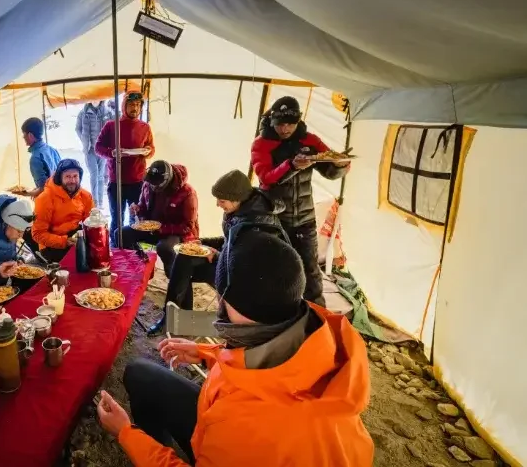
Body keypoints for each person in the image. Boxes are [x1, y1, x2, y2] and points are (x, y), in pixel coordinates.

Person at [96, 231, 374, 466]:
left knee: (141, 385)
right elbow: (276, 374)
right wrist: (207, 355)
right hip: (244, 428)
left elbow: (257, 408)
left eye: (220, 294)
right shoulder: (317, 332)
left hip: (240, 437)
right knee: (141, 374)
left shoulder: (244, 426)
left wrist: (126, 433)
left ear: (231, 302)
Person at [147, 169, 286, 335]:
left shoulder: (259, 224)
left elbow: (252, 264)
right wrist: (204, 243)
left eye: (221, 200)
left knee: (183, 269)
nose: (218, 204)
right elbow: (229, 240)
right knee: (184, 257)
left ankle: (178, 320)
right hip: (230, 264)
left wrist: (218, 255)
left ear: (237, 199)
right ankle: (174, 317)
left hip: (243, 281)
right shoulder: (240, 209)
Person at [251, 96, 350, 306]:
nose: (285, 128)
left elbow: (329, 168)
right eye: (280, 124)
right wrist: (292, 165)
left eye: (290, 123)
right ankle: (276, 314)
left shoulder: (310, 140)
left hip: (305, 218)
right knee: (276, 268)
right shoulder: (261, 144)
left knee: (311, 271)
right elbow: (266, 178)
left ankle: (316, 316)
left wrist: (340, 164)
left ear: (298, 120)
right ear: (272, 121)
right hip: (274, 218)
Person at [95, 91, 155, 246]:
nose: (134, 108)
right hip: (117, 181)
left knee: (136, 217)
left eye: (137, 105)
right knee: (117, 218)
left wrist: (148, 152)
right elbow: (98, 147)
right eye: (131, 105)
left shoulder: (145, 127)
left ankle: (132, 249)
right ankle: (116, 248)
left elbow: (151, 148)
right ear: (124, 106)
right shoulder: (111, 126)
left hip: (138, 181)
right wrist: (112, 153)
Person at [119, 160, 198, 276]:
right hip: (151, 228)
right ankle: (141, 266)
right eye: (151, 183)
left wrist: (162, 229)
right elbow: (143, 207)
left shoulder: (187, 192)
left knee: (164, 248)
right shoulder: (148, 184)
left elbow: (188, 226)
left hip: (175, 232)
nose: (152, 186)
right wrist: (137, 210)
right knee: (121, 233)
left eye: (155, 184)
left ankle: (173, 276)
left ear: (166, 181)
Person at [31, 158, 94, 263]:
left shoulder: (85, 196)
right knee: (72, 266)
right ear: (59, 178)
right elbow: (38, 234)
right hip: (51, 244)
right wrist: (65, 241)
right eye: (68, 177)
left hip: (74, 236)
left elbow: (91, 222)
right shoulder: (45, 198)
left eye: (75, 176)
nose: (72, 181)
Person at [76, 100, 116, 206]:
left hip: (102, 149)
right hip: (89, 150)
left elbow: (115, 123)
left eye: (97, 98)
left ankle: (100, 202)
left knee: (101, 176)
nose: (95, 100)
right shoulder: (83, 113)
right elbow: (78, 128)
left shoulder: (107, 112)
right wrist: (84, 140)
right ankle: (95, 202)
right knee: (94, 174)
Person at [19, 117, 61, 198]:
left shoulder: (35, 158)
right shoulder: (52, 149)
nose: (23, 137)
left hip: (50, 200)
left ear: (30, 135)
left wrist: (27, 193)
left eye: (24, 134)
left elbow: (44, 189)